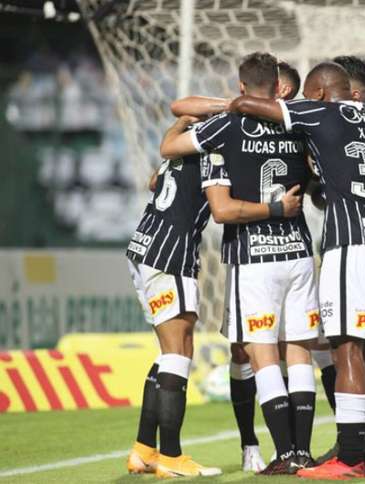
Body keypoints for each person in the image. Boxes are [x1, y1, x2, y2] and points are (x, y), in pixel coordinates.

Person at [227, 61, 365, 479]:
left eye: (307, 93)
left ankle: (351, 460)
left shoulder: (318, 111)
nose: (302, 100)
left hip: (353, 245)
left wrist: (246, 99)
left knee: (347, 348)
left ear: (321, 94)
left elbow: (248, 105)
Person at [161, 52, 319, 475]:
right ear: (280, 86)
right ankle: (303, 451)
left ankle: (284, 453)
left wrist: (229, 106)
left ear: (243, 85)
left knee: (261, 352)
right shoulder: (299, 120)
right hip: (300, 252)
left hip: (255, 257)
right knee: (299, 351)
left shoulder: (228, 126)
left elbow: (170, 144)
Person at [125, 150, 221, 478]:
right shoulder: (221, 146)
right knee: (179, 351)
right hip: (170, 252)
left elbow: (154, 181)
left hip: (144, 245)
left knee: (170, 352)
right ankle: (171, 455)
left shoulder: (184, 147)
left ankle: (144, 450)